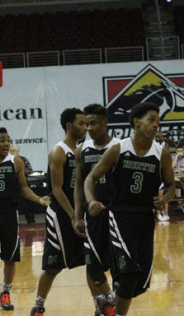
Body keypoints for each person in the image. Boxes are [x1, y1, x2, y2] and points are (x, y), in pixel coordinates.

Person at [84, 102, 175, 316]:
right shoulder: (119, 149)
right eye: (151, 120)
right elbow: (91, 178)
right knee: (129, 273)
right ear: (136, 122)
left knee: (139, 282)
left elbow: (171, 185)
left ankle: (110, 303)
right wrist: (90, 201)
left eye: (158, 121)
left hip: (145, 219)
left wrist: (165, 199)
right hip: (120, 217)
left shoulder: (161, 153)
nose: (155, 125)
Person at [0, 128, 50, 313]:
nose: (6, 144)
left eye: (8, 140)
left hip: (9, 214)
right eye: (2, 140)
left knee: (9, 257)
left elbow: (23, 188)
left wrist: (38, 199)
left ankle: (6, 292)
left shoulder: (16, 162)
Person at [30, 108, 86, 316]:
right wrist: (73, 215)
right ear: (69, 126)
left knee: (94, 260)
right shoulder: (59, 151)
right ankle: (38, 306)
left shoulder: (83, 150)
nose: (85, 127)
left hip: (80, 210)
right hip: (62, 213)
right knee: (53, 266)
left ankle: (103, 305)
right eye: (81, 123)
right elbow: (56, 188)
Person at [73, 104, 119, 316]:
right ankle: (107, 304)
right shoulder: (82, 149)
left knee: (119, 267)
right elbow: (79, 184)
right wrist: (76, 215)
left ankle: (114, 307)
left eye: (93, 123)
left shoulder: (120, 147)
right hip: (92, 216)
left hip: (118, 216)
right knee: (93, 266)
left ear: (105, 123)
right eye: (86, 124)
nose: (89, 128)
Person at [10, 144, 36, 226]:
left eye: (15, 150)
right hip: (11, 185)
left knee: (28, 204)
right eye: (12, 150)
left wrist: (20, 172)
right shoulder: (6, 160)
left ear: (18, 151)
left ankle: (31, 220)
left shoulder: (23, 159)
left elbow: (30, 170)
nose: (13, 152)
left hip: (23, 183)